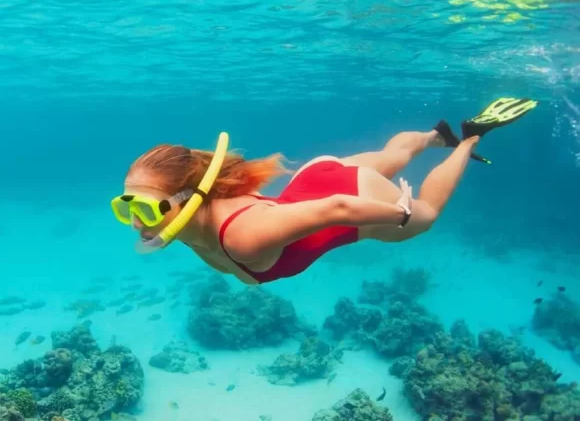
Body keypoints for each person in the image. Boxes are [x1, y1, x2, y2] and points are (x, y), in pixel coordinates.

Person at [111, 98, 537, 285]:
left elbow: (337, 208)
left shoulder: (240, 235)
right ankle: (433, 136)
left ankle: (468, 138)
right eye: (124, 206)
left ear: (189, 198)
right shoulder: (187, 223)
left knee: (428, 215)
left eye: (146, 209)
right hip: (316, 179)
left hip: (344, 198)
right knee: (390, 158)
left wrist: (400, 213)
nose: (134, 222)